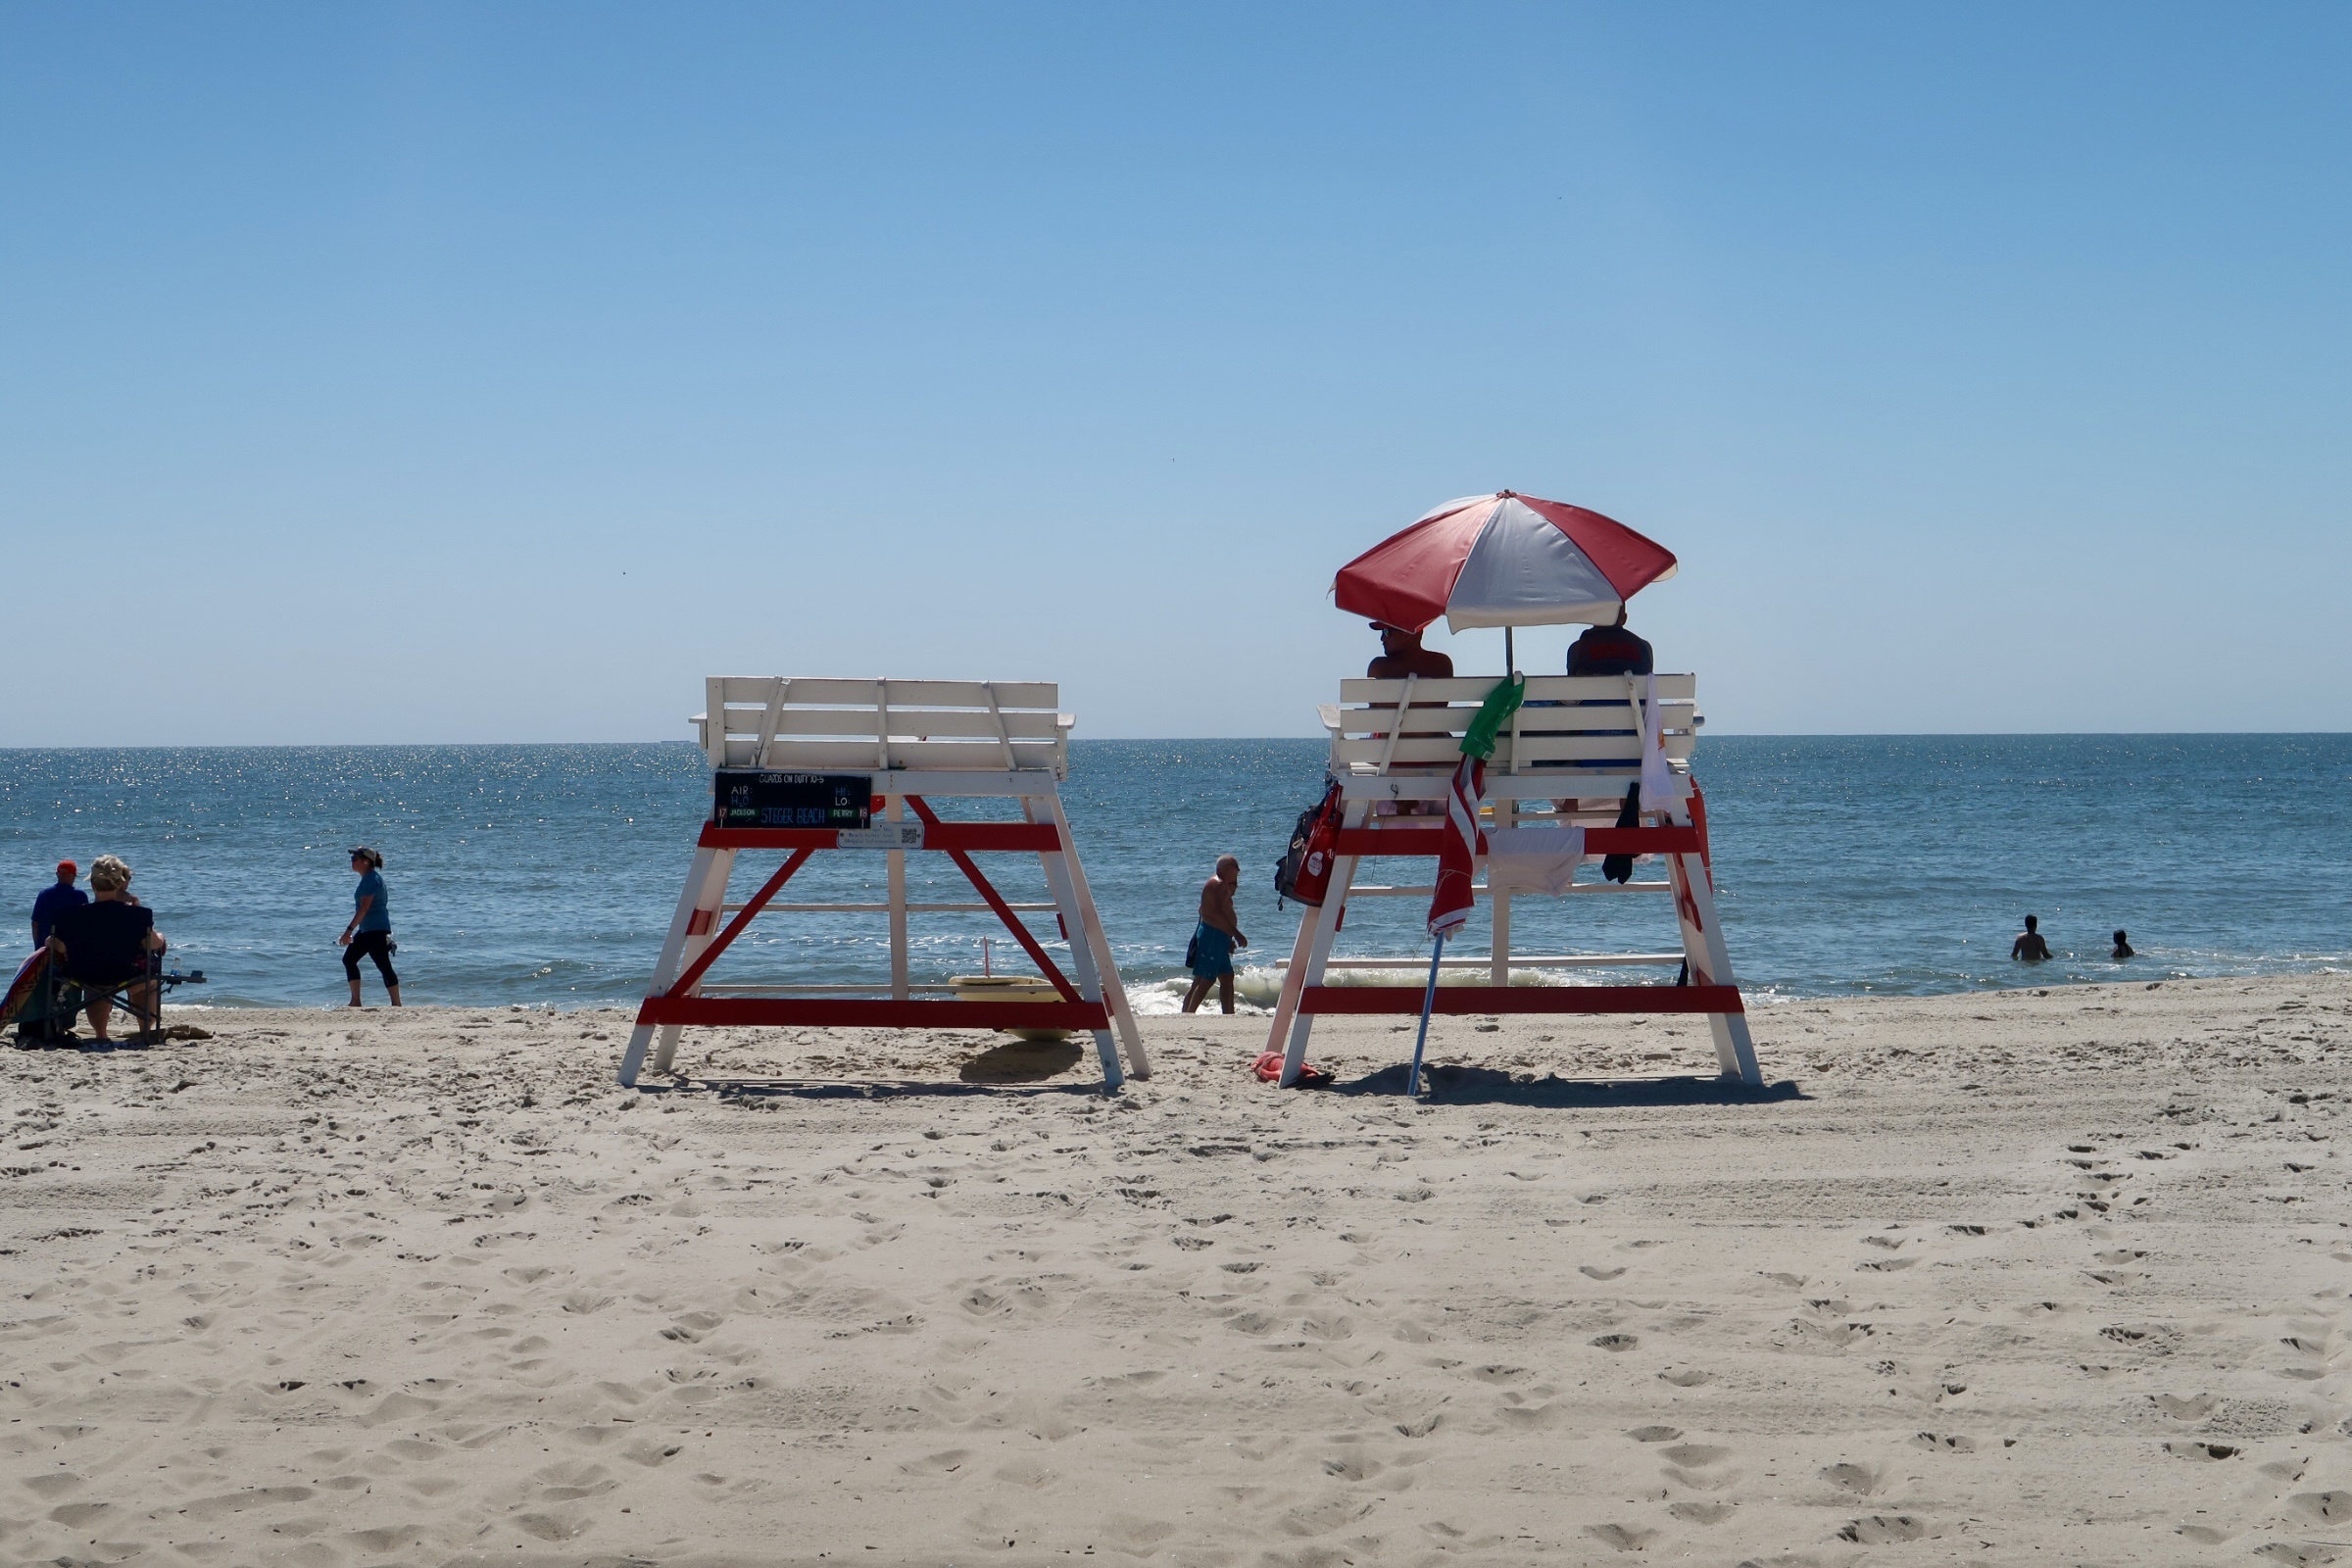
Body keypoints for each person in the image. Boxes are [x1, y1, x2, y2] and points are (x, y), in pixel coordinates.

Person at [45, 855, 166, 1043]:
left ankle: (101, 1035)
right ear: (119, 884)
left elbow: (56, 946)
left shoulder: (70, 916)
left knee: (95, 984)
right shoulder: (137, 915)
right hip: (126, 973)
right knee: (148, 980)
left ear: (92, 884)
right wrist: (162, 937)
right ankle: (144, 1031)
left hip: (84, 974)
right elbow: (153, 944)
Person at [1181, 855, 1248, 1015]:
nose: (1238, 872)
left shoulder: (1221, 885)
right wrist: (1236, 934)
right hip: (1212, 935)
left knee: (1227, 976)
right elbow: (1216, 914)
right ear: (1227, 868)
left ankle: (1228, 1014)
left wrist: (1229, 938)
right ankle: (1189, 1014)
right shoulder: (1217, 884)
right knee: (1206, 979)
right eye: (1235, 868)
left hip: (1220, 936)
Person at [339, 848, 402, 1007]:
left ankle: (396, 1004)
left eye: (355, 858)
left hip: (376, 930)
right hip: (368, 929)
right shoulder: (368, 878)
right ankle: (356, 1001)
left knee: (383, 964)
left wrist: (349, 930)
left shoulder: (371, 879)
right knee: (349, 959)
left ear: (365, 861)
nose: (352, 861)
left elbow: (364, 908)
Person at [1566, 608, 1654, 677]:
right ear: (1624, 618)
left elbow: (1571, 691)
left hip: (1592, 699)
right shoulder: (1644, 647)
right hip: (1634, 700)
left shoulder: (1578, 648)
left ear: (1593, 617)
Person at [31, 860, 88, 951]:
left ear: (57, 874)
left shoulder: (44, 894)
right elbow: (85, 925)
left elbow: (35, 923)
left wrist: (37, 948)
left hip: (45, 949)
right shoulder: (80, 896)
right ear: (73, 875)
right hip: (70, 950)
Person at [1366, 622, 1453, 681]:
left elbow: (1374, 705)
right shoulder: (1442, 664)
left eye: (1386, 632)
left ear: (1406, 634)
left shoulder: (1379, 666)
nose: (1382, 638)